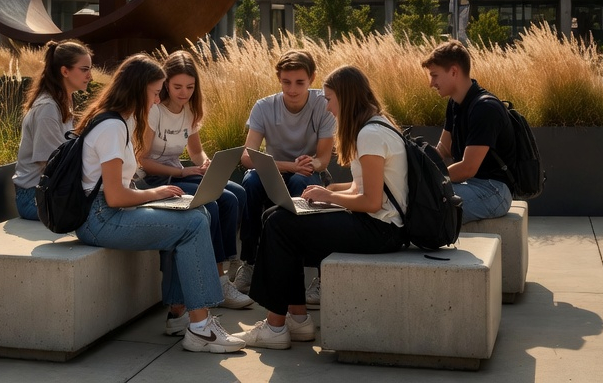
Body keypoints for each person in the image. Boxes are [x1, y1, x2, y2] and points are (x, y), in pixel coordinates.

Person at [74, 54, 245, 354]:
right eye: (155, 93)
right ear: (139, 90)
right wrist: (159, 193)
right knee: (193, 222)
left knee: (194, 212)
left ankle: (182, 316)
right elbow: (115, 196)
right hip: (101, 218)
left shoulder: (119, 120)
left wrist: (165, 196)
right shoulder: (113, 128)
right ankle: (201, 327)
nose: (157, 100)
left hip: (112, 211)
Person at [233, 66, 408, 349]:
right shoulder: (375, 126)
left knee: (279, 224)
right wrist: (323, 191)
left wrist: (329, 198)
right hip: (376, 224)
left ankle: (275, 327)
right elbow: (359, 188)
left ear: (346, 98)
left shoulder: (371, 135)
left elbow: (372, 202)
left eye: (329, 99)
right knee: (277, 215)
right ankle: (298, 320)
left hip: (381, 230)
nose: (326, 106)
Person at [139, 51, 252, 314]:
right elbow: (142, 159)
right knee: (212, 203)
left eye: (190, 87)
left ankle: (223, 273)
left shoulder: (190, 109)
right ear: (165, 83)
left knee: (236, 194)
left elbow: (196, 151)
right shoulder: (155, 110)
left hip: (179, 172)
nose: (184, 93)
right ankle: (218, 279)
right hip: (154, 178)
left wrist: (205, 164)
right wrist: (183, 173)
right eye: (177, 86)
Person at [231, 49, 336, 297]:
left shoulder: (324, 105)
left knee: (301, 181)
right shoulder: (264, 107)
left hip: (307, 172)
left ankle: (306, 270)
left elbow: (324, 157)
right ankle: (250, 262)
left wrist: (311, 163)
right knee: (251, 181)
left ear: (311, 78)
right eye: (286, 82)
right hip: (275, 171)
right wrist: (289, 165)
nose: (292, 89)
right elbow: (247, 157)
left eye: (300, 82)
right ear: (278, 78)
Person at [422, 39, 516, 223]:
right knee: (417, 193)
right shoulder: (455, 103)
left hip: (493, 191)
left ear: (454, 71)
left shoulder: (485, 108)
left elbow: (468, 168)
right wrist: (417, 164)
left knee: (427, 199)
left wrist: (431, 179)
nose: (431, 83)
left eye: (434, 75)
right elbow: (443, 149)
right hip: (469, 185)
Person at [12, 40, 93, 220]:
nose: (90, 76)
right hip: (34, 197)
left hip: (53, 191)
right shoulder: (47, 108)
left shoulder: (64, 101)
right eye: (84, 69)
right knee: (99, 212)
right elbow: (52, 164)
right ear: (65, 71)